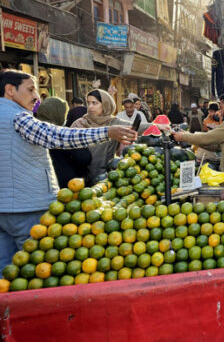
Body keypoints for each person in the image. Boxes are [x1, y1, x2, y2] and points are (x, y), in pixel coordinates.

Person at [0, 70, 136, 267]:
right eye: (30, 90)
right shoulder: (18, 117)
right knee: (33, 268)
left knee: (5, 270)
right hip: (26, 207)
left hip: (3, 209)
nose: (36, 97)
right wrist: (107, 132)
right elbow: (58, 136)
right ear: (10, 90)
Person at [72, 90, 140, 185]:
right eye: (88, 103)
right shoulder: (79, 123)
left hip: (106, 179)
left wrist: (156, 126)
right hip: (79, 180)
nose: (90, 106)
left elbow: (134, 127)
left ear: (105, 104)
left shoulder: (114, 123)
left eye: (94, 103)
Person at [173, 91, 224, 173]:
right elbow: (216, 146)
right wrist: (188, 136)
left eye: (221, 107)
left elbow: (207, 138)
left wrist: (183, 137)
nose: (220, 111)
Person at [36, 97, 92, 189]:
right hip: (69, 188)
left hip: (43, 187)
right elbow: (85, 158)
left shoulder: (34, 130)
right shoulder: (63, 133)